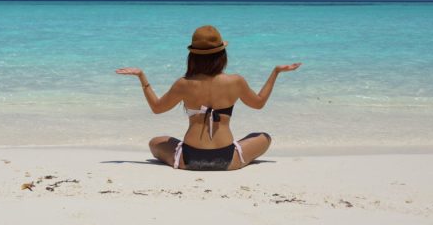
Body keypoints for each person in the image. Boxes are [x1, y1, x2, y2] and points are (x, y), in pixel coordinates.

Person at [115, 25, 301, 170]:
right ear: (222, 55)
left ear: (192, 56)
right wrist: (275, 72)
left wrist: (142, 77)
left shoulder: (184, 83)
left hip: (189, 159)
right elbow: (259, 103)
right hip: (227, 159)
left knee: (155, 142)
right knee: (263, 137)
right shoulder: (235, 81)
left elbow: (157, 108)